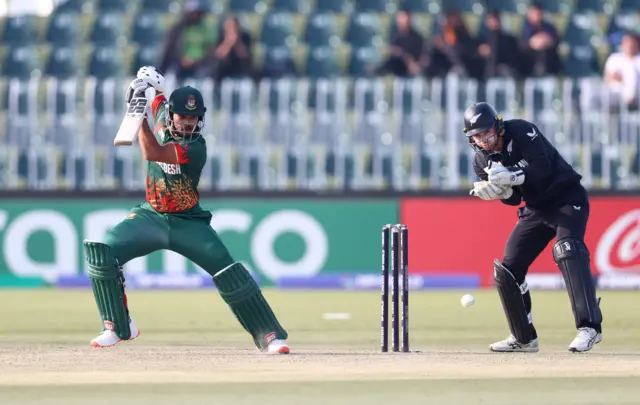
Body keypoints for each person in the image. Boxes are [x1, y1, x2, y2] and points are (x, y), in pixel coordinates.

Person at [84, 66, 290, 354]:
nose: (188, 123)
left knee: (229, 270)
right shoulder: (159, 111)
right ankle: (118, 327)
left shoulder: (196, 148)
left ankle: (270, 335)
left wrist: (137, 115)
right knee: (101, 251)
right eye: (183, 116)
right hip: (151, 216)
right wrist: (144, 85)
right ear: (171, 113)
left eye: (194, 118)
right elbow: (154, 91)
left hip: (188, 222)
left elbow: (153, 153)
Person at [466, 102, 603, 353]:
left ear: (497, 126)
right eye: (476, 136)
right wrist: (499, 192)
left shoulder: (521, 131)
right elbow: (515, 199)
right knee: (507, 269)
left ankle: (589, 328)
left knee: (567, 249)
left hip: (566, 198)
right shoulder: (481, 161)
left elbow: (541, 167)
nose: (483, 140)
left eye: (486, 132)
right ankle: (524, 338)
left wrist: (512, 176)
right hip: (536, 209)